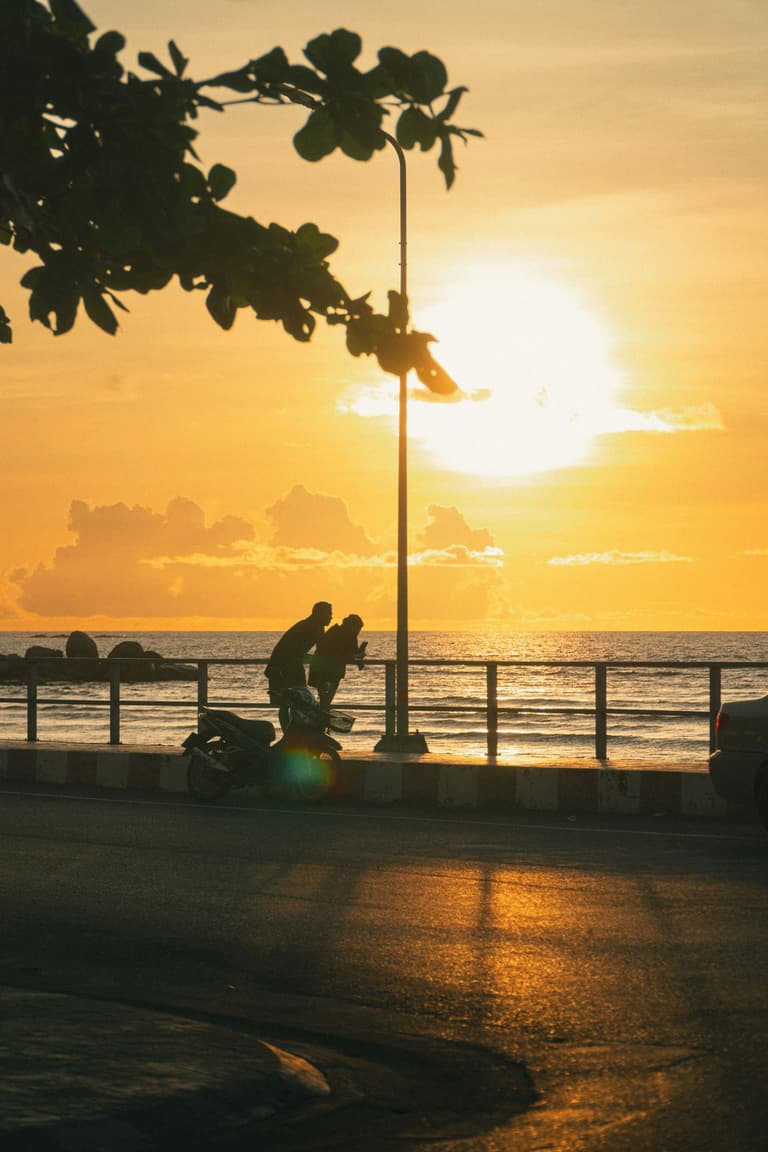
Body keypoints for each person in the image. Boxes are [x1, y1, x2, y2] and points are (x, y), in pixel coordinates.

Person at [265, 601, 333, 729]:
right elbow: (322, 651)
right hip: (286, 666)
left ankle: (288, 735)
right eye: (328, 614)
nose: (331, 617)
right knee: (298, 701)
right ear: (319, 614)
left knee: (286, 704)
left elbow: (297, 650)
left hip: (279, 665)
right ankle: (293, 737)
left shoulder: (306, 624)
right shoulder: (316, 626)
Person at [308, 613, 367, 710]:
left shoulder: (335, 630)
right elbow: (346, 654)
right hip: (329, 669)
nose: (359, 631)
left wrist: (357, 655)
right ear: (353, 627)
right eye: (358, 628)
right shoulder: (348, 635)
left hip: (319, 667)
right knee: (326, 699)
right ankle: (322, 715)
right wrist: (358, 655)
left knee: (324, 699)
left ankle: (321, 715)